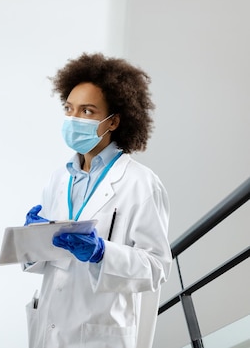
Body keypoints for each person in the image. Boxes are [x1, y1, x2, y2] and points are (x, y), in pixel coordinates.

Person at [22, 53, 172, 348]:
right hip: (51, 324)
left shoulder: (140, 183)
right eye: (69, 109)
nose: (74, 119)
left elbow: (156, 267)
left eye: (87, 111)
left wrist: (103, 253)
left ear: (113, 121)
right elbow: (51, 263)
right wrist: (32, 241)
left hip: (101, 332)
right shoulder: (60, 178)